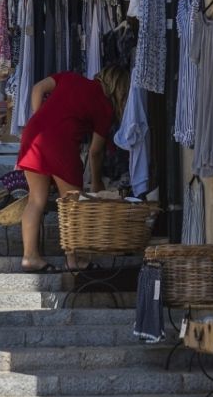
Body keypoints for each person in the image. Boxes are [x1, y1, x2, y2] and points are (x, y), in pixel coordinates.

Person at [15, 66, 129, 272]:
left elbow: (37, 89)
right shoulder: (104, 107)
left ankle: (29, 257)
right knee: (72, 204)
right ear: (119, 89)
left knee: (36, 199)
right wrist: (96, 182)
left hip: (33, 133)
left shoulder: (69, 78)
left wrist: (40, 116)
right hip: (60, 144)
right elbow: (95, 152)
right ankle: (75, 260)